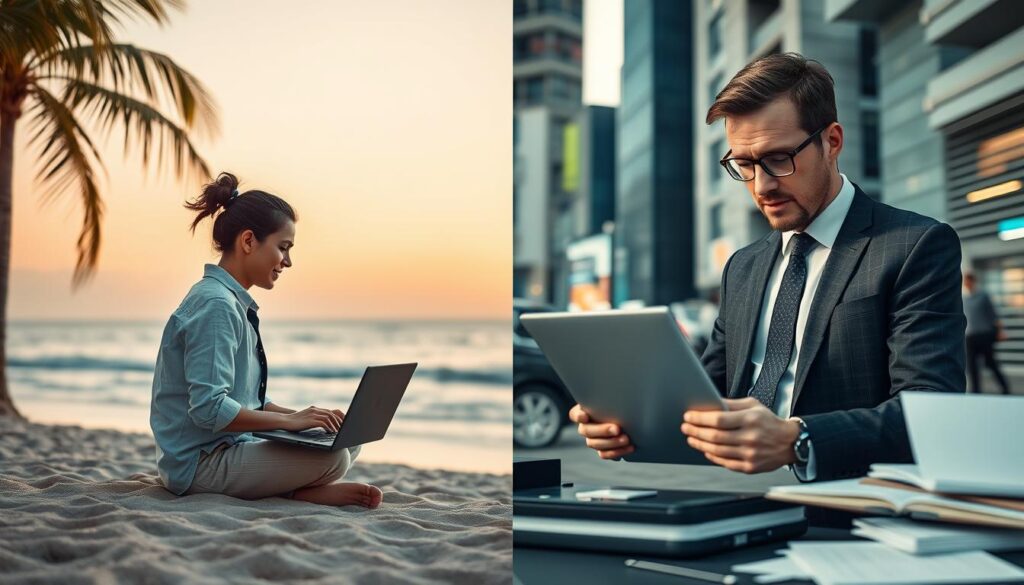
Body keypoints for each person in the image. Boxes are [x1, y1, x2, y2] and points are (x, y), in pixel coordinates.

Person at [571, 53, 966, 482]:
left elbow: (931, 410)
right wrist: (630, 423)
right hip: (733, 496)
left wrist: (798, 440)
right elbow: (709, 394)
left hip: (847, 510)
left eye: (779, 158)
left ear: (832, 142)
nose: (762, 186)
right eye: (743, 164)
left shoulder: (914, 245)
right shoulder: (742, 266)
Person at [150, 172, 383, 507]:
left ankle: (291, 487)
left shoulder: (231, 302)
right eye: (283, 248)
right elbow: (208, 409)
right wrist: (289, 422)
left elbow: (246, 398)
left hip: (233, 447)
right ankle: (295, 493)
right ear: (248, 242)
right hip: (199, 465)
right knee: (334, 458)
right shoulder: (216, 305)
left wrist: (308, 419)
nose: (287, 262)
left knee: (344, 440)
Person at [963, 271, 1011, 394]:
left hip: (984, 335)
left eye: (968, 281)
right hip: (970, 337)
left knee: (990, 363)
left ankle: (1005, 388)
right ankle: (976, 391)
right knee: (972, 367)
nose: (966, 283)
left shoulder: (983, 296)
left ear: (973, 281)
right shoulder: (964, 298)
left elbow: (993, 316)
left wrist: (1000, 331)